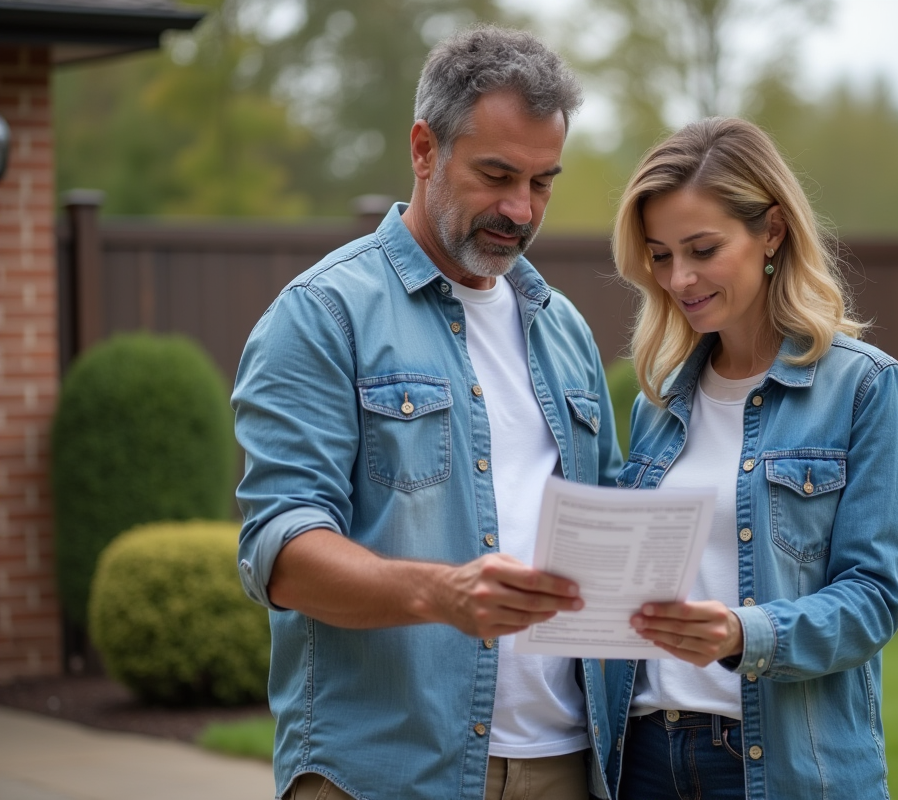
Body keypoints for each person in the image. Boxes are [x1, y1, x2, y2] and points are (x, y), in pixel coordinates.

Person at [232, 26, 623, 800]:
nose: (521, 208)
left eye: (543, 182)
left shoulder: (564, 327)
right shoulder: (323, 315)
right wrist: (441, 594)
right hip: (385, 772)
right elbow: (279, 551)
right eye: (497, 174)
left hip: (568, 766)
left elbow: (602, 531)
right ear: (424, 149)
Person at [603, 117, 898, 800]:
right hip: (646, 758)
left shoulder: (861, 386)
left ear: (771, 230)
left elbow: (874, 599)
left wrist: (743, 632)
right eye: (659, 255)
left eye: (702, 248)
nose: (679, 278)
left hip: (778, 767)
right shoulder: (655, 404)